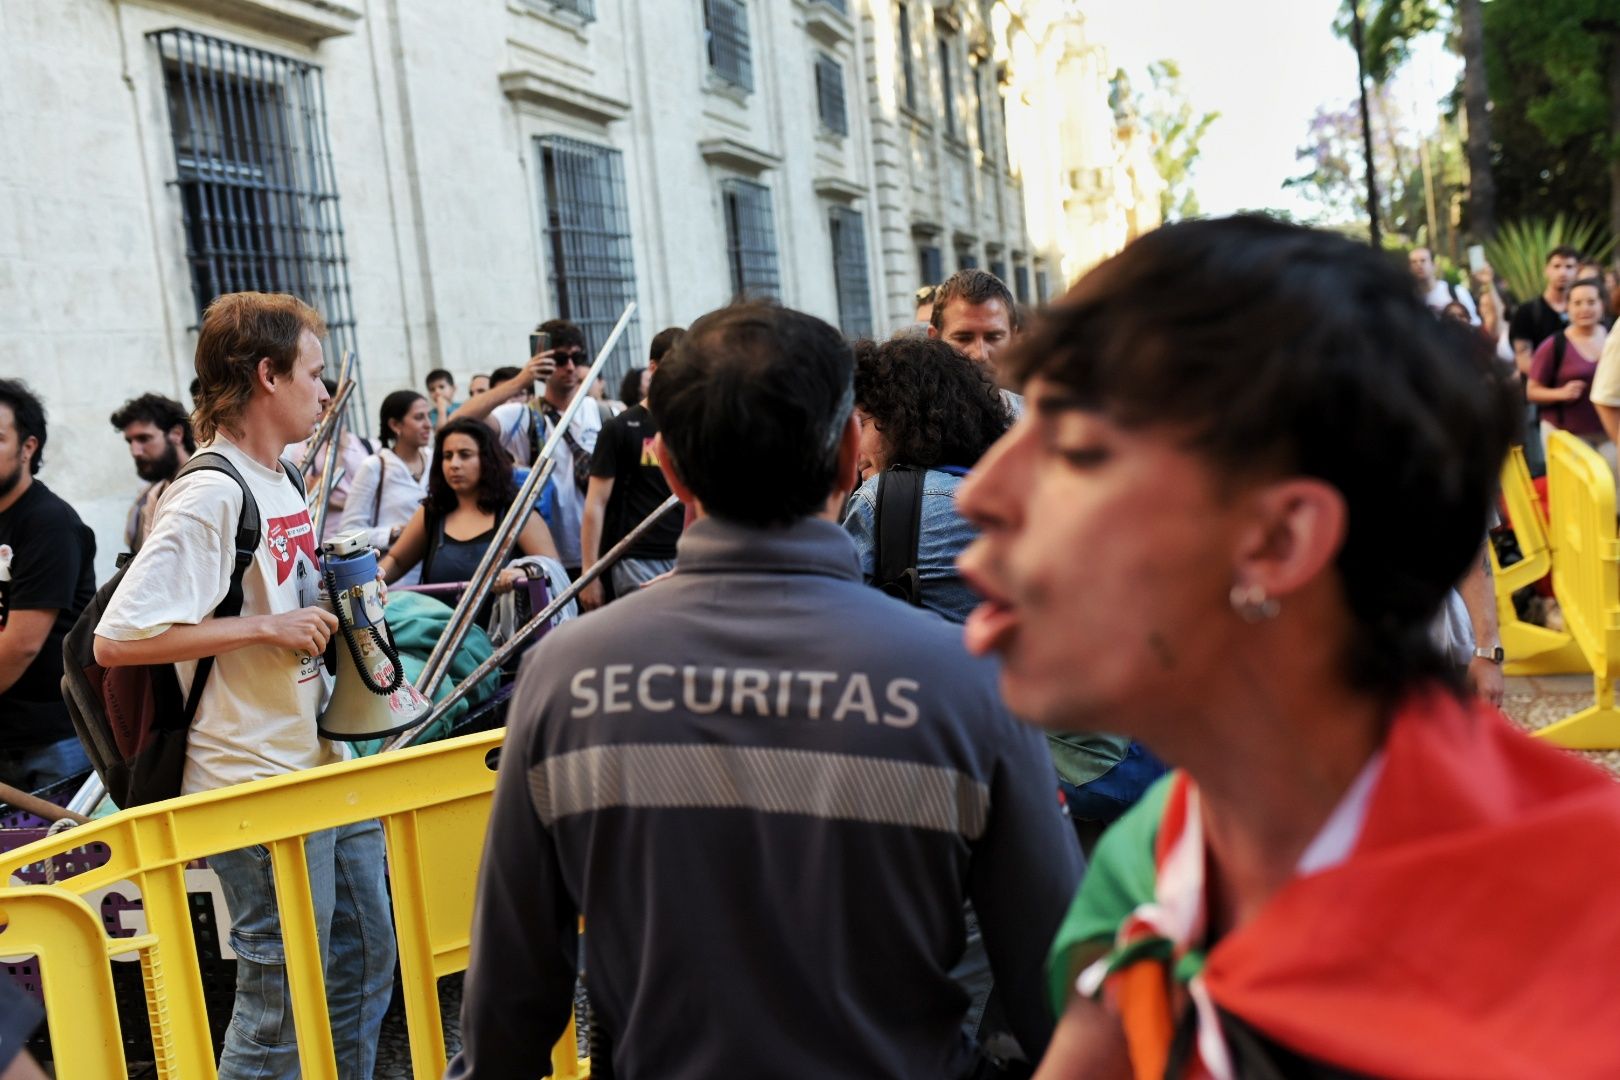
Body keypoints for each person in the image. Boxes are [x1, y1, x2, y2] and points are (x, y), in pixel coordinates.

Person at [957, 216, 1620, 1078]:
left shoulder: (1583, 910)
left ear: (1278, 542)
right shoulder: (1159, 859)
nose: (979, 494)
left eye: (1076, 451)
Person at [449, 302, 1082, 1079]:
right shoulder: (966, 684)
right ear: (854, 448)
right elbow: (1061, 992)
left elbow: (509, 1003)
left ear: (670, 468)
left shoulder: (565, 678)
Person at [93, 292, 395, 1079]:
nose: (325, 393)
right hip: (250, 777)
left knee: (363, 960)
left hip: (314, 756)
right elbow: (118, 638)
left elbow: (272, 597)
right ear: (267, 376)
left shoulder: (280, 473)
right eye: (314, 374)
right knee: (279, 1002)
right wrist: (267, 629)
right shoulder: (210, 491)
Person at [0, 379, 95, 792]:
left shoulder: (48, 522)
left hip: (54, 740)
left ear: (28, 447)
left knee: (67, 857)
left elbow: (21, 644)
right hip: (8, 738)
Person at [462, 320, 603, 576]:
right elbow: (461, 423)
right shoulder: (521, 416)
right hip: (548, 559)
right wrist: (522, 380)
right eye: (560, 359)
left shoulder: (603, 413)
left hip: (602, 553)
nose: (570, 367)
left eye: (576, 357)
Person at [379, 417, 560, 601]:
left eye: (465, 455)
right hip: (441, 628)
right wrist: (370, 583)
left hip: (504, 629)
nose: (454, 464)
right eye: (447, 456)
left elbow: (551, 569)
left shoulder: (517, 512)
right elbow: (398, 561)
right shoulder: (431, 513)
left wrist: (521, 571)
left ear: (487, 459)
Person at [578, 329, 685, 611]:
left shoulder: (693, 425)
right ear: (654, 367)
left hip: (686, 554)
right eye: (676, 364)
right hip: (635, 559)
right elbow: (595, 504)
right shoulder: (621, 428)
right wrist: (590, 575)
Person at [339, 390, 435, 584]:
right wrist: (393, 533)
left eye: (428, 416)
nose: (428, 425)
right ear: (395, 425)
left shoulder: (436, 460)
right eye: (418, 417)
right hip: (395, 582)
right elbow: (349, 532)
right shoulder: (375, 466)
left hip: (435, 576)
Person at [1527, 277, 1611, 463]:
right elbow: (1531, 391)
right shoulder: (1554, 345)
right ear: (1568, 307)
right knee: (1575, 491)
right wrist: (1561, 393)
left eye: (1591, 302)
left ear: (1602, 304)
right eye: (1577, 303)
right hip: (1566, 434)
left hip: (1610, 432)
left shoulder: (1614, 338)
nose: (1584, 308)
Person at [110, 392, 194, 552]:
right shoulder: (151, 498)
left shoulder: (211, 482)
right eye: (130, 441)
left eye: (144, 438)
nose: (135, 451)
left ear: (177, 434)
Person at [286, 377, 369, 537]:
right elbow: (312, 493)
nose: (330, 413)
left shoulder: (366, 445)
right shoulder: (305, 449)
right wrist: (336, 449)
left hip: (366, 530)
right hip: (330, 535)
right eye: (324, 407)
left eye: (335, 406)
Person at [1510, 245, 1580, 376]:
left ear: (1577, 271)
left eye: (1569, 267)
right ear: (1546, 270)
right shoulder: (1526, 312)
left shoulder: (1584, 312)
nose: (1562, 272)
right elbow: (1523, 358)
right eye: (1557, 266)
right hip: (1539, 391)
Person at [1408, 245, 1479, 324]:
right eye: (1414, 262)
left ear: (1433, 264)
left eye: (1423, 261)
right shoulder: (1408, 298)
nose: (1419, 265)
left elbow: (1474, 324)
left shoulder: (1457, 292)